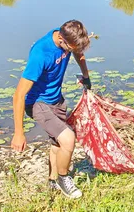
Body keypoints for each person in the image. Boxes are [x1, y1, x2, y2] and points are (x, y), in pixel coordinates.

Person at [11, 20, 92, 199]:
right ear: (61, 40)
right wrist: (19, 132)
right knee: (68, 139)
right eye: (70, 48)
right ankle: (64, 179)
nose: (73, 51)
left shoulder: (68, 38)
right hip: (38, 103)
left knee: (58, 143)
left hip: (57, 99)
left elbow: (78, 52)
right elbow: (18, 95)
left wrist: (86, 76)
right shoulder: (41, 53)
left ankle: (53, 181)